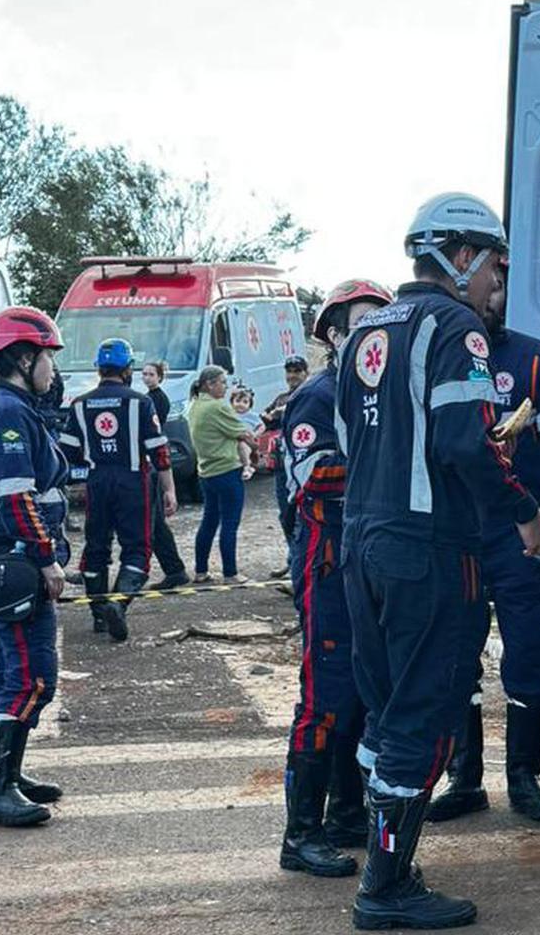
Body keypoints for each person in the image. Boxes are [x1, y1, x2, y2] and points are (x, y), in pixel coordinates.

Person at [336, 192, 540, 930]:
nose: (499, 282)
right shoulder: (455, 325)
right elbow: (466, 443)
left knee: (386, 707)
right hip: (427, 549)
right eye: (495, 264)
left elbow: (350, 442)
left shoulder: (364, 333)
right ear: (461, 257)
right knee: (424, 714)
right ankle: (386, 887)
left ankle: (385, 855)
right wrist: (526, 514)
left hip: (360, 542)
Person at [428, 275, 540, 824]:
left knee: (532, 655)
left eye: (498, 292)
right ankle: (463, 779)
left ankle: (525, 779)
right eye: (483, 291)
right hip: (455, 536)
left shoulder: (535, 359)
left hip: (524, 535)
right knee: (453, 660)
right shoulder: (440, 353)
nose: (489, 300)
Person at [277, 280, 395, 880]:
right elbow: (311, 476)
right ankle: (300, 833)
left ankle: (347, 813)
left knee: (359, 695)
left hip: (364, 563)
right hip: (326, 562)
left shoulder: (376, 393)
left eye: (383, 321)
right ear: (333, 334)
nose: (373, 333)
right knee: (324, 700)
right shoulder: (319, 396)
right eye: (362, 322)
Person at [0, 306, 70, 827]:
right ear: (24, 358)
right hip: (17, 556)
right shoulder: (8, 414)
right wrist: (46, 558)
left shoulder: (14, 409)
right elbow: (16, 497)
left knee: (5, 673)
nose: (53, 369)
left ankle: (7, 776)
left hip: (6, 554)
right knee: (32, 678)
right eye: (48, 357)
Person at [60, 339, 177, 643]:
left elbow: (66, 452)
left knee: (96, 547)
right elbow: (159, 451)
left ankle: (99, 613)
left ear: (99, 369)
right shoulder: (141, 402)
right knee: (137, 548)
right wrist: (169, 490)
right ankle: (119, 602)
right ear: (128, 370)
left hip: (97, 482)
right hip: (134, 481)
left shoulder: (80, 404)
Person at [187, 365, 256, 584]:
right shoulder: (218, 407)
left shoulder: (195, 405)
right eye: (223, 382)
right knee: (229, 523)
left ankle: (201, 570)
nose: (226, 387)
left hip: (206, 472)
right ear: (210, 384)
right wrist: (254, 446)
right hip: (226, 470)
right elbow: (244, 433)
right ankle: (230, 572)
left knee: (209, 520)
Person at [141, 360, 189, 591]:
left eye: (151, 374)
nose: (147, 377)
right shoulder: (148, 398)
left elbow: (153, 432)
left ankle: (173, 570)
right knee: (157, 523)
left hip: (151, 462)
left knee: (155, 524)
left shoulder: (155, 400)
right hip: (151, 462)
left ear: (160, 377)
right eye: (145, 374)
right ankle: (174, 569)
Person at [264, 354, 310, 579]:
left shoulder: (311, 394)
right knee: (286, 516)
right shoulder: (281, 398)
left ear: (306, 373)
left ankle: (299, 564)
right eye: (289, 371)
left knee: (302, 515)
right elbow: (265, 419)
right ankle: (293, 559)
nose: (292, 376)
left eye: (297, 371)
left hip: (302, 465)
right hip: (282, 465)